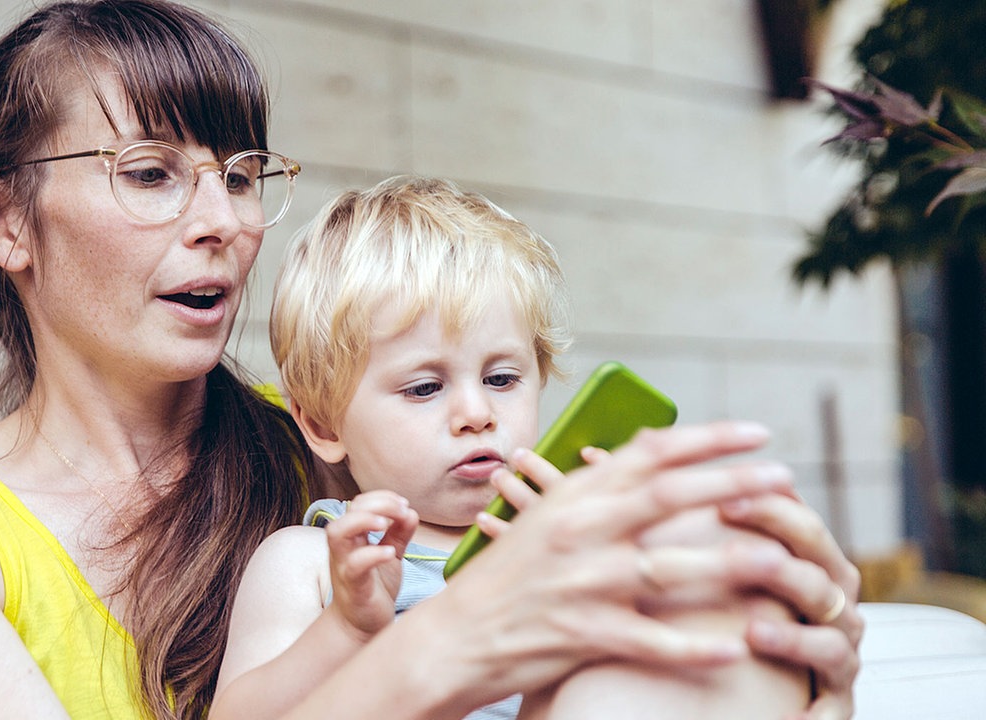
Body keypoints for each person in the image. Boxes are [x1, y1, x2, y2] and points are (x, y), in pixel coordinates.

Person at [0, 2, 862, 719]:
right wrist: (451, 645)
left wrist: (803, 656)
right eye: (149, 172)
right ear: (1, 221)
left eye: (241, 174)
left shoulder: (382, 438)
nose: (224, 220)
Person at [210, 175, 818, 719]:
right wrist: (345, 629)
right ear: (321, 425)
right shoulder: (313, 561)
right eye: (424, 387)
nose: (476, 413)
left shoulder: (564, 532)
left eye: (502, 379)